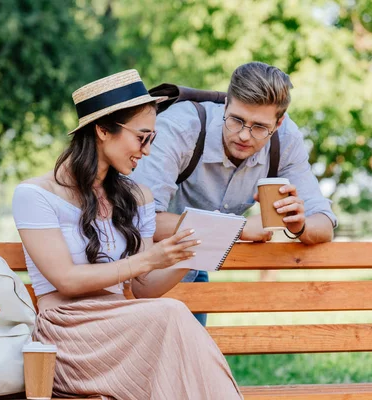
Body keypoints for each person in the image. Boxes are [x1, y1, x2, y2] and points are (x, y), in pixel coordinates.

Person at [12, 70, 243, 400]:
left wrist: (188, 255)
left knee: (171, 323)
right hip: (67, 335)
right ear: (103, 129)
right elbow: (67, 280)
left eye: (152, 140)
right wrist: (148, 258)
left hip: (127, 328)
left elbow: (143, 288)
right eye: (142, 137)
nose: (146, 151)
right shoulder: (35, 195)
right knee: (173, 317)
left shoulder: (137, 198)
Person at [131, 62, 338, 325]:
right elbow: (142, 220)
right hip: (137, 269)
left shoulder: (286, 139)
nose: (244, 135)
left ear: (279, 121)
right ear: (226, 104)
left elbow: (324, 223)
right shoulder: (180, 127)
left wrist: (300, 225)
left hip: (193, 264)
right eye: (237, 120)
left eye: (260, 127)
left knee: (192, 363)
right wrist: (237, 228)